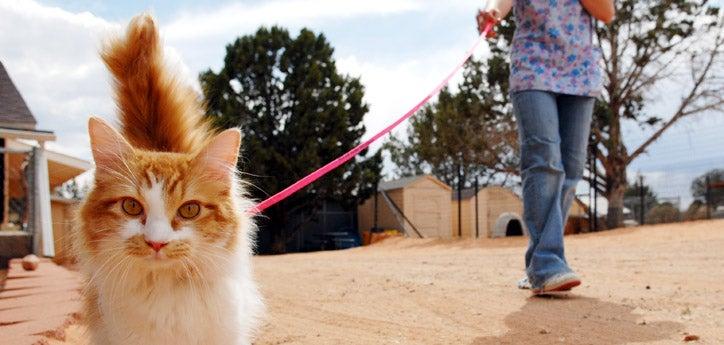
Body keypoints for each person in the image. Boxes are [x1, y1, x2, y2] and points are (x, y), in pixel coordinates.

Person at [476, 0, 615, 294]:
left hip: (580, 73)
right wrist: (492, 13)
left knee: (572, 168)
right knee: (544, 160)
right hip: (533, 68)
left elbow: (606, 13)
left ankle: (540, 263)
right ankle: (547, 264)